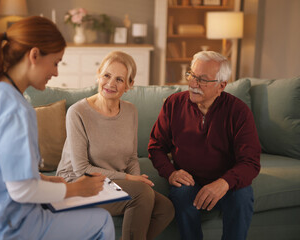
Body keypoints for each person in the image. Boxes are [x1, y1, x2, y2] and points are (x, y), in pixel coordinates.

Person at [0, 16, 114, 240]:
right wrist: (77, 190)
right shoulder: (16, 108)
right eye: (55, 62)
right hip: (9, 227)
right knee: (102, 221)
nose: (56, 73)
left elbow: (0, 169)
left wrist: (41, 179)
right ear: (34, 55)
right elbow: (22, 190)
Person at [56, 51, 174, 240]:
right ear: (98, 74)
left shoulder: (130, 111)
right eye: (107, 75)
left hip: (113, 184)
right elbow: (82, 169)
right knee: (142, 195)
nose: (111, 84)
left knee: (165, 209)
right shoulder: (77, 112)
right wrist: (131, 180)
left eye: (119, 79)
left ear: (129, 85)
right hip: (78, 184)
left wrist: (135, 180)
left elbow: (132, 157)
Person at [148, 51, 261, 240]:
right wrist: (171, 173)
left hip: (227, 181)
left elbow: (250, 162)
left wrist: (224, 183)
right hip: (189, 180)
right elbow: (156, 146)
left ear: (221, 86)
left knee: (242, 196)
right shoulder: (173, 104)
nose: (193, 83)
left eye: (202, 79)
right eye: (191, 75)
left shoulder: (239, 111)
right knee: (182, 195)